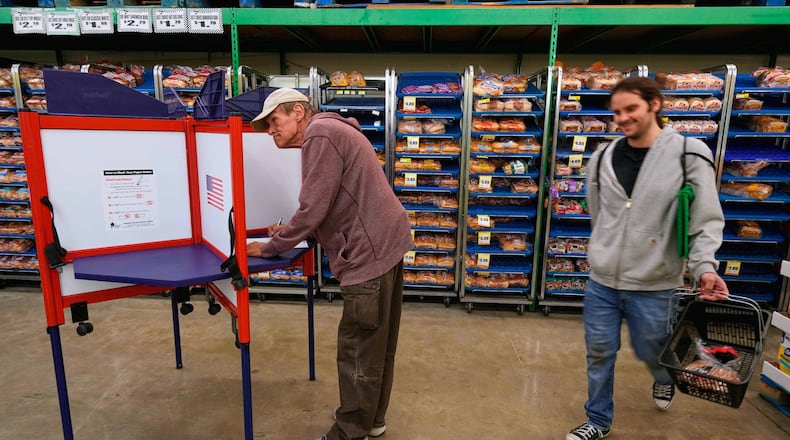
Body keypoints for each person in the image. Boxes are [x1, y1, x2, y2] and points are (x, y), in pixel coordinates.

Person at [566, 76, 729, 440]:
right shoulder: (602, 157)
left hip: (656, 283)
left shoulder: (690, 153)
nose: (622, 119)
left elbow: (705, 217)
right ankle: (598, 420)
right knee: (599, 354)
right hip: (603, 282)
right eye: (617, 112)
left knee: (655, 352)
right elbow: (600, 214)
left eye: (631, 109)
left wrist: (704, 267)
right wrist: (603, 249)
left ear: (655, 105)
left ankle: (663, 378)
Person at [246, 88, 413, 440]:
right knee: (378, 343)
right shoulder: (334, 130)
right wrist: (292, 229)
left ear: (297, 112)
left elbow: (314, 206)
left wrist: (272, 246)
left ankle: (349, 431)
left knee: (357, 346)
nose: (270, 131)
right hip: (387, 244)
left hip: (368, 253)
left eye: (274, 121)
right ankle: (373, 420)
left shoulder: (320, 134)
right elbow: (329, 203)